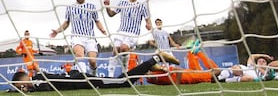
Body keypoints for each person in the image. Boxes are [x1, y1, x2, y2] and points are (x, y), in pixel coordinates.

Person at [10, 51, 179, 92]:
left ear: (25, 78)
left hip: (84, 80)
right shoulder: (37, 79)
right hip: (79, 78)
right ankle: (150, 67)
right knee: (122, 82)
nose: (23, 89)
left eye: (21, 86)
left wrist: (27, 90)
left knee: (122, 82)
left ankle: (155, 59)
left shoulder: (37, 80)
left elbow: (41, 87)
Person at [50, 0, 107, 75]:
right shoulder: (70, 7)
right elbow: (66, 23)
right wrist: (57, 31)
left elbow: (97, 20)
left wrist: (102, 29)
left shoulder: (91, 7)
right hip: (76, 37)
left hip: (90, 37)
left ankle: (94, 74)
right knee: (80, 55)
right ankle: (83, 77)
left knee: (92, 61)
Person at [103, 0, 152, 76]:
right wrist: (107, 6)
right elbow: (111, 14)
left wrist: (149, 25)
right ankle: (110, 76)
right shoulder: (122, 4)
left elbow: (147, 19)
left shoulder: (142, 6)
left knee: (124, 48)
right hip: (121, 31)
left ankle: (124, 70)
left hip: (133, 33)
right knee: (115, 50)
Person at [147, 49, 219, 85]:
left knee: (217, 71)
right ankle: (193, 52)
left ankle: (195, 52)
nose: (147, 75)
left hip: (188, 76)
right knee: (197, 70)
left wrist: (176, 84)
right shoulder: (150, 79)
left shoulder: (159, 71)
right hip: (188, 75)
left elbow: (178, 70)